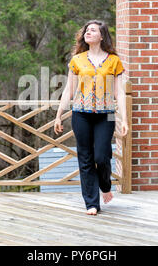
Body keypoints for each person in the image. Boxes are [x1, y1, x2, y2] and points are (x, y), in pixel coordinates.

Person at [54, 20, 128, 216]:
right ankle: (91, 203)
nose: (88, 32)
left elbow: (119, 93)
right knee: (85, 158)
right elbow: (69, 89)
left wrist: (125, 120)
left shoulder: (114, 61)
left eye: (93, 30)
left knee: (102, 157)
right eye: (86, 30)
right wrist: (59, 115)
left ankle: (105, 185)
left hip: (107, 115)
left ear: (102, 36)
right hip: (81, 115)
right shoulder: (77, 60)